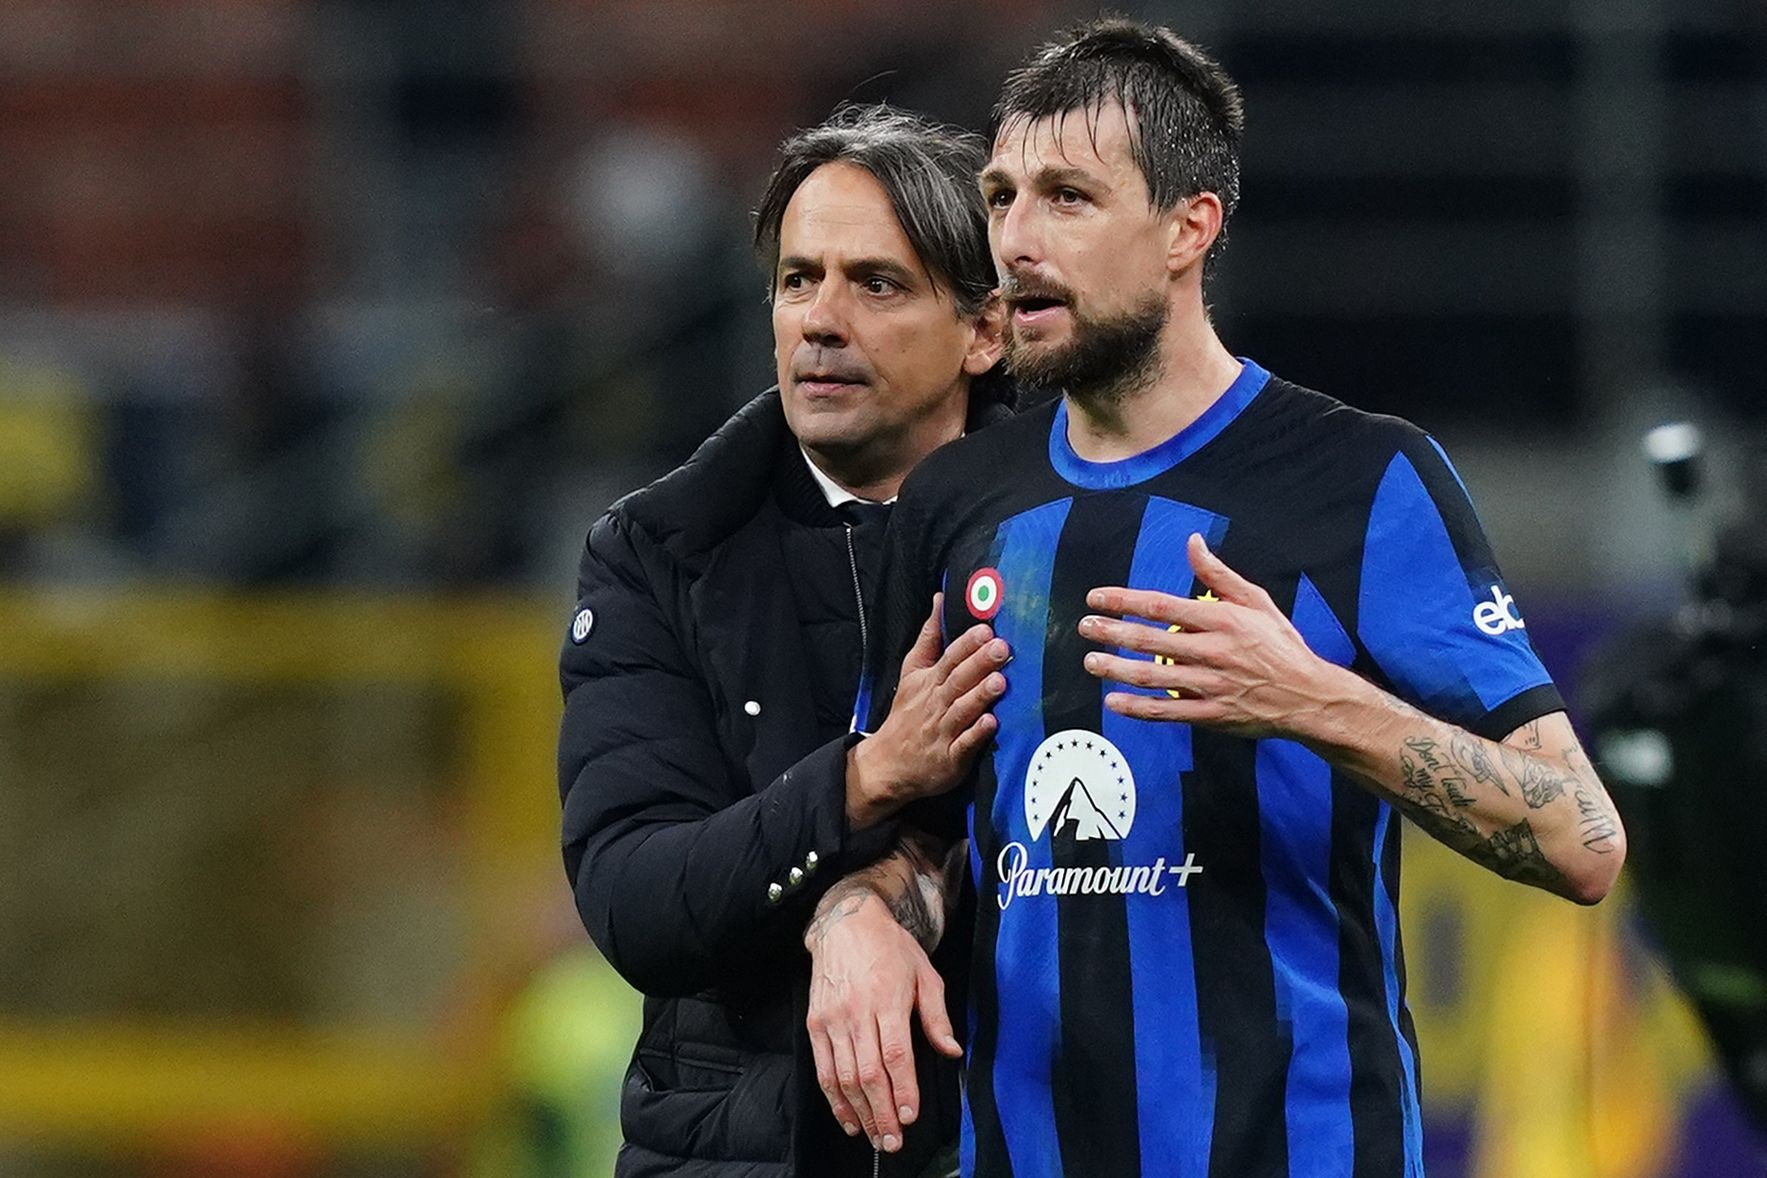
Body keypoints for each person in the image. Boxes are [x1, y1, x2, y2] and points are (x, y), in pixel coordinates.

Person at [806, 19, 1628, 1178]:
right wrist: (857, 915)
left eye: (1068, 198)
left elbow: (1581, 836)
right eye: (1001, 198)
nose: (1017, 240)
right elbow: (915, 820)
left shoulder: (1361, 479)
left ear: (1189, 228)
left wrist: (1311, 700)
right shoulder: (953, 500)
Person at [557, 104, 1016, 1177]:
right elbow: (634, 894)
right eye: (798, 280)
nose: (821, 320)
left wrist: (865, 901)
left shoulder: (1076, 536)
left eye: (877, 284)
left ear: (985, 330)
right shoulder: (659, 553)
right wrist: (863, 780)